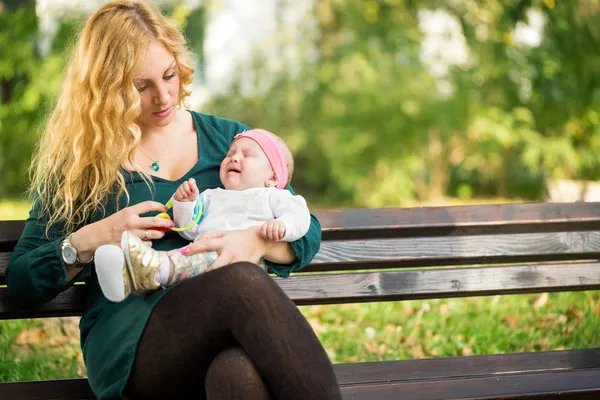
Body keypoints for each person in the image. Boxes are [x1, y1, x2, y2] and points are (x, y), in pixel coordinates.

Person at [5, 1, 343, 399]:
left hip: (219, 331)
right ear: (107, 88)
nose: (164, 97)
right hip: (135, 342)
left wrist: (255, 241)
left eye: (169, 75)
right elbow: (23, 281)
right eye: (141, 86)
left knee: (238, 377)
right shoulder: (83, 162)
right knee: (241, 282)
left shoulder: (229, 143)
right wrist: (93, 238)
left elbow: (306, 229)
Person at [95, 129, 312, 303]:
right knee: (192, 252)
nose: (234, 158)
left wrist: (283, 225)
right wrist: (185, 204)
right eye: (230, 154)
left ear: (272, 177)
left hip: (241, 264)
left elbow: (299, 216)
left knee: (196, 256)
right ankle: (129, 274)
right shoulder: (212, 196)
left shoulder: (271, 196)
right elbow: (189, 230)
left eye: (247, 155)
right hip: (201, 266)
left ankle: (154, 269)